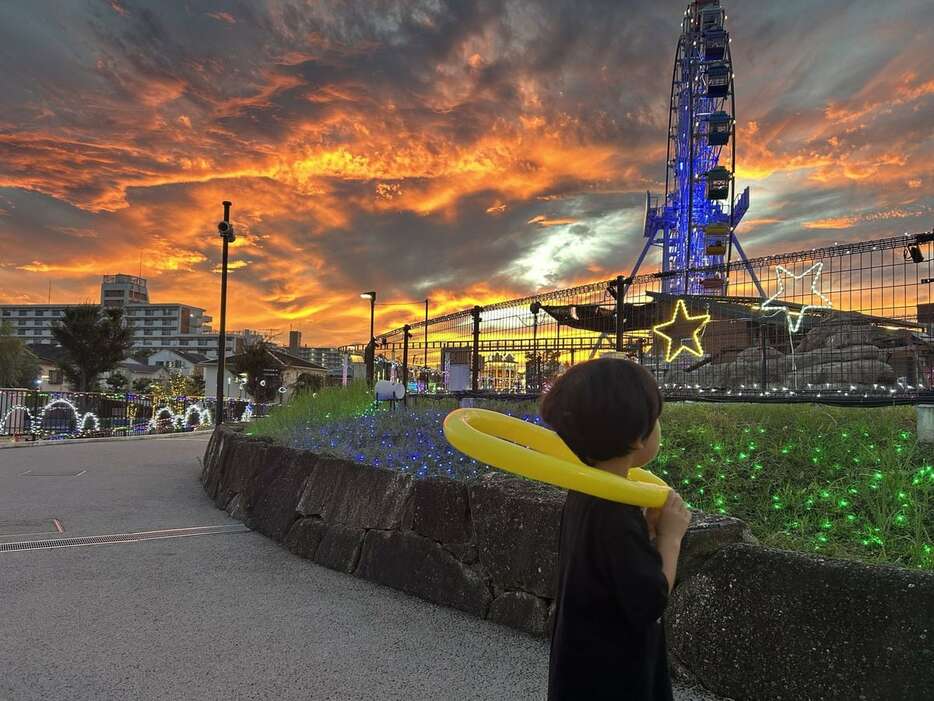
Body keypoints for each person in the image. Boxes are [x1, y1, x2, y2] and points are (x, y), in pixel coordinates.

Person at [542, 357, 691, 701]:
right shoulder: (616, 512)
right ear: (638, 437)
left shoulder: (586, 492)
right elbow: (650, 600)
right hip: (616, 677)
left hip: (581, 667)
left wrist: (648, 536)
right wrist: (671, 538)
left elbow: (615, 571)